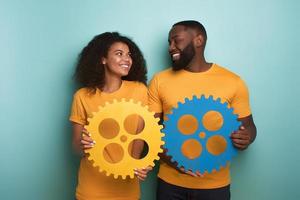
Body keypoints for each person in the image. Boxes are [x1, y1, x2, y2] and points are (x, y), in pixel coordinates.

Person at [148, 20, 257, 200]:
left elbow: (250, 127)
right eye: (169, 42)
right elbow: (150, 132)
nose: (171, 47)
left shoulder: (233, 82)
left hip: (215, 186)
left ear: (198, 41)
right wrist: (174, 163)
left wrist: (246, 138)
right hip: (170, 184)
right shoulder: (159, 81)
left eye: (177, 40)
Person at [69, 32, 151, 200]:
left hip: (127, 186)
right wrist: (84, 145)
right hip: (91, 188)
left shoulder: (139, 90)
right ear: (103, 59)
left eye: (129, 55)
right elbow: (76, 147)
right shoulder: (82, 96)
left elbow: (140, 138)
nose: (127, 59)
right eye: (119, 54)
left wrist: (138, 165)